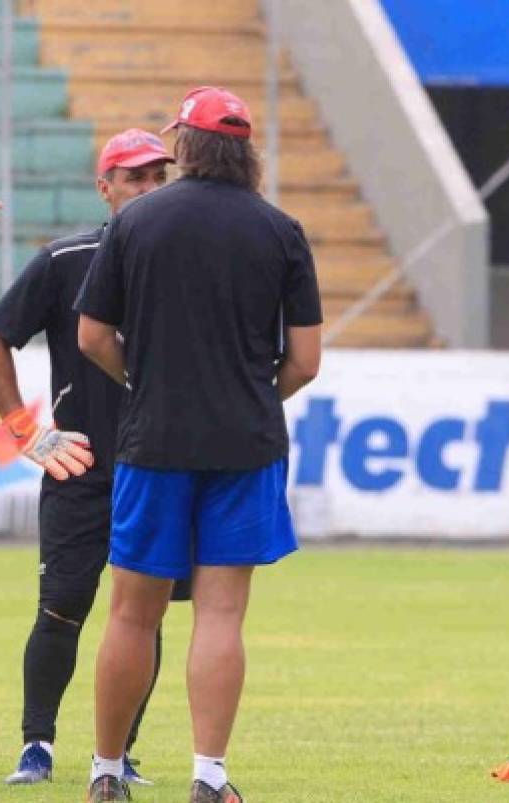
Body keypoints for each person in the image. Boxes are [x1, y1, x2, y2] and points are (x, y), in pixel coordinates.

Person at [74, 87, 324, 803]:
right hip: (245, 447)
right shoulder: (281, 230)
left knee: (131, 612)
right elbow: (305, 360)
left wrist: (145, 383)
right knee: (220, 614)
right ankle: (209, 776)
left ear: (184, 145)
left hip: (154, 440)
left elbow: (92, 334)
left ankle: (105, 771)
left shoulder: (137, 221)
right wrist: (249, 398)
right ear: (244, 150)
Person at [0, 129, 187, 788]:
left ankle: (119, 752)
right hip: (82, 467)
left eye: (158, 177)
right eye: (134, 178)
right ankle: (36, 744)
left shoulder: (189, 262)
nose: (149, 189)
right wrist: (27, 430)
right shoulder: (67, 259)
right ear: (105, 188)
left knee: (144, 614)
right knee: (62, 607)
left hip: (157, 467)